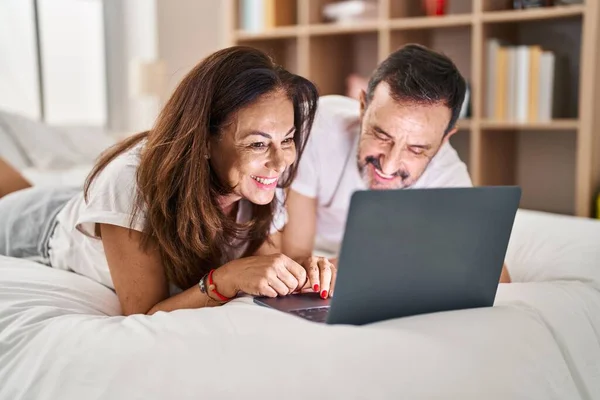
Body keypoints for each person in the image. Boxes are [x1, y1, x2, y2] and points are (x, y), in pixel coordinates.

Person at [0, 46, 336, 315]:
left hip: (86, 205)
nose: (281, 161)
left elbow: (261, 262)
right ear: (203, 140)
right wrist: (225, 280)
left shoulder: (261, 182)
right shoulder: (129, 184)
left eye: (288, 139)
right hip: (39, 226)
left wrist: (302, 272)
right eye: (258, 143)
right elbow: (145, 312)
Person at [283, 44, 511, 290]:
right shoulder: (316, 129)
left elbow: (498, 278)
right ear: (362, 107)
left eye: (416, 149)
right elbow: (295, 260)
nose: (389, 166)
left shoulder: (446, 171)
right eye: (382, 136)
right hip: (320, 255)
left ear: (444, 139)